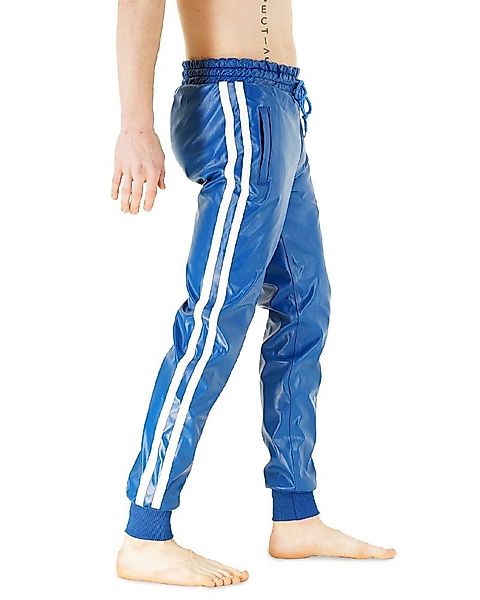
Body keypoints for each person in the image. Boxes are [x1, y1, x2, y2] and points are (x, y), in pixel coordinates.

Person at [112, 0, 396, 588]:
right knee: (214, 321)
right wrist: (135, 126)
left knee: (304, 308)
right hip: (237, 100)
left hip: (281, 103)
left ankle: (295, 513)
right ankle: (145, 531)